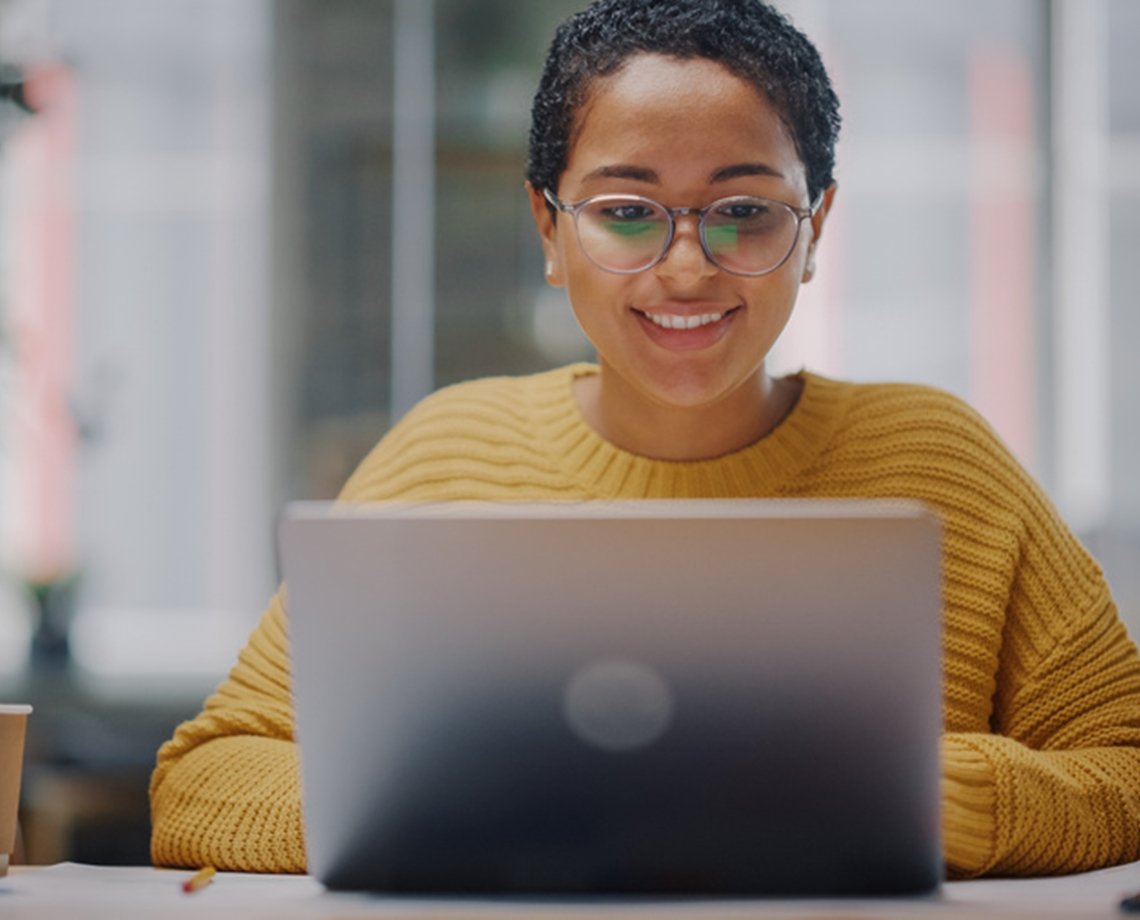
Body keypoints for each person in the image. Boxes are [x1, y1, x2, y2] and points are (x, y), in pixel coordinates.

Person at [150, 0, 1140, 879]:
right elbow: (201, 780)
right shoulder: (440, 458)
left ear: (817, 228)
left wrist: (937, 794)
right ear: (547, 227)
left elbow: (1126, 766)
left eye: (744, 213)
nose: (685, 268)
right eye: (625, 214)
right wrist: (454, 803)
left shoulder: (943, 464)